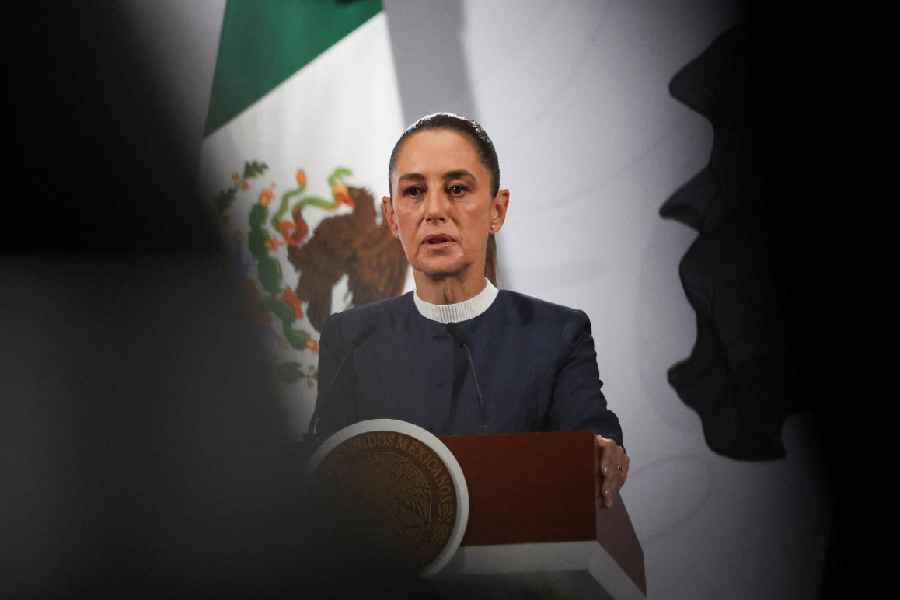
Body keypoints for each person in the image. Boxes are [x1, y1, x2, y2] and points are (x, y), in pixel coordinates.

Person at [313, 113, 629, 507]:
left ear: (497, 210)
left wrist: (602, 451)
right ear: (392, 217)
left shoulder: (557, 334)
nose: (434, 210)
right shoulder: (351, 339)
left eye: (457, 188)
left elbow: (592, 439)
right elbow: (326, 476)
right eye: (413, 192)